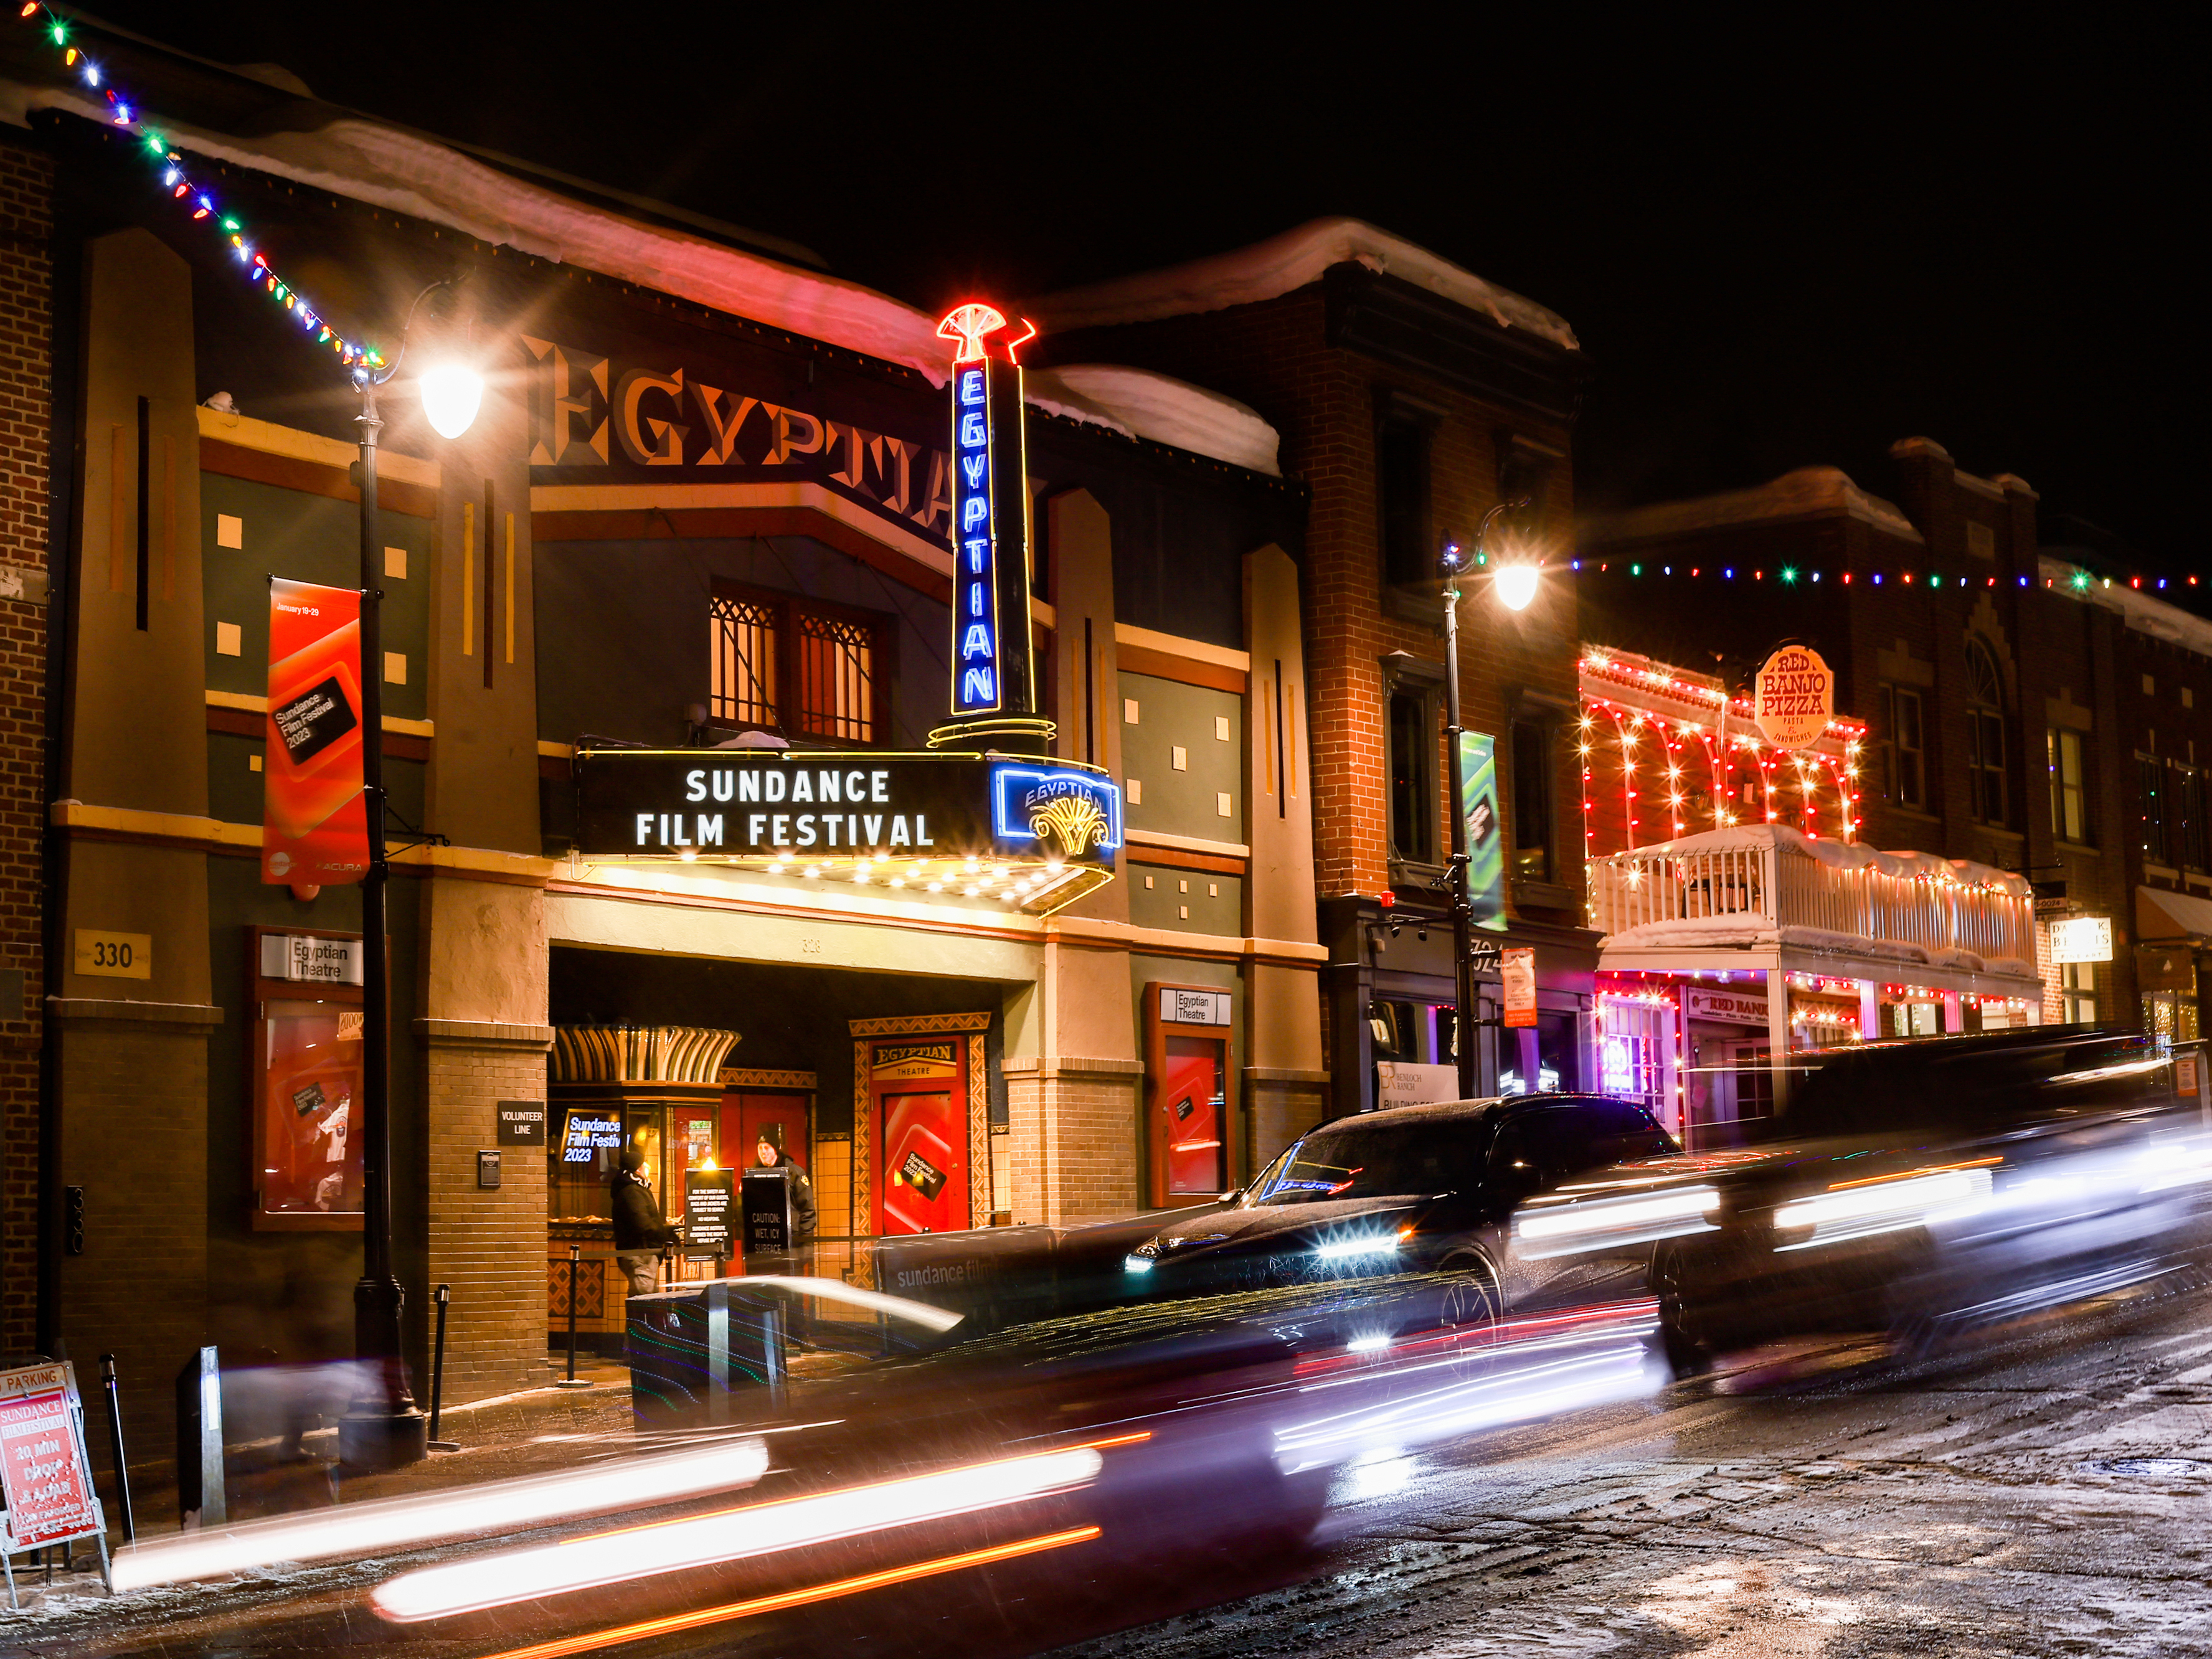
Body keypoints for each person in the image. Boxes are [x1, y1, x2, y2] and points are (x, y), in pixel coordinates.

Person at [610, 1143, 678, 1296]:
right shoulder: (632, 1192)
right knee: (643, 1299)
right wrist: (666, 1234)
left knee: (646, 1299)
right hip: (640, 1254)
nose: (647, 1167)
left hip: (643, 1252)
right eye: (643, 1164)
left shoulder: (635, 1189)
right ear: (637, 1170)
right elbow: (643, 1224)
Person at [755, 1127, 816, 1270]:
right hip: (764, 1249)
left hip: (792, 1246)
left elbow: (807, 1210)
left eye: (767, 1147)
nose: (763, 1152)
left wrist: (805, 1246)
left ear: (776, 1149)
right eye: (760, 1148)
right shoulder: (753, 1174)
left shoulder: (795, 1173)